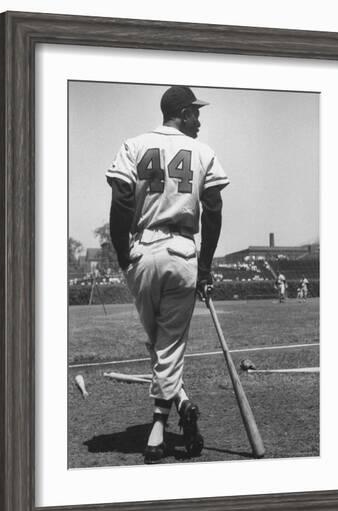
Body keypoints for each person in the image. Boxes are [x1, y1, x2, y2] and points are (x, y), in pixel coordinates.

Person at [106, 85, 229, 464]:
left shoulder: (134, 144)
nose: (199, 120)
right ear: (181, 112)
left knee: (159, 344)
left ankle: (171, 415)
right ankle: (166, 421)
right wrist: (205, 267)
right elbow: (213, 211)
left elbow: (122, 200)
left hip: (142, 250)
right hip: (182, 252)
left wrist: (124, 254)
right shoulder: (204, 152)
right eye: (195, 112)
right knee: (167, 345)